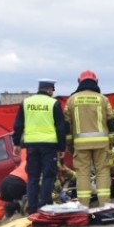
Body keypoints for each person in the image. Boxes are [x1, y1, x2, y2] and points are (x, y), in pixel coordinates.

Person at [63, 70, 114, 207]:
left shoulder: (71, 100)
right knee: (103, 171)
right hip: (102, 144)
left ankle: (83, 204)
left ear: (79, 82)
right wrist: (111, 142)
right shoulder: (103, 99)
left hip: (80, 145)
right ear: (96, 82)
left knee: (82, 174)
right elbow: (111, 123)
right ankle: (105, 203)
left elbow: (66, 126)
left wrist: (69, 143)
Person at [13, 79, 66, 214]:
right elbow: (60, 127)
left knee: (33, 177)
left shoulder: (26, 103)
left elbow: (18, 124)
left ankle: (32, 209)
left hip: (31, 146)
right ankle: (44, 206)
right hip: (49, 146)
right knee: (48, 176)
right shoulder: (54, 103)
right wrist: (61, 147)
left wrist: (16, 143)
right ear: (49, 90)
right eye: (52, 91)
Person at [0, 149, 28, 227]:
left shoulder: (26, 158)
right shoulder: (39, 163)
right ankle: (14, 211)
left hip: (6, 181)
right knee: (26, 202)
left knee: (0, 206)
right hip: (18, 183)